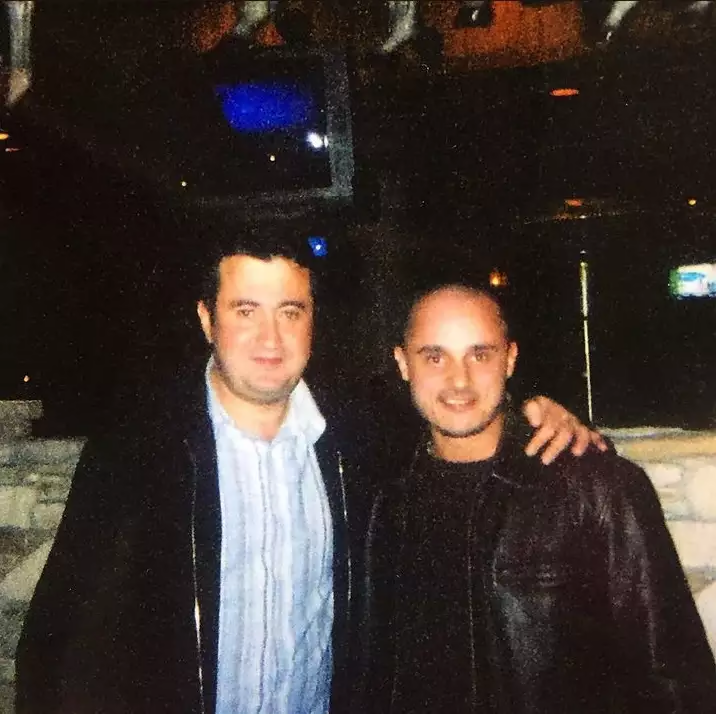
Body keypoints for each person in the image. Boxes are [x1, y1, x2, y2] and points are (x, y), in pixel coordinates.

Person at [15, 225, 601, 714]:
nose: (271, 338)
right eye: (246, 311)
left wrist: (531, 413)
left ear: (313, 319)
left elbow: (455, 408)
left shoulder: (358, 439)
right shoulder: (141, 453)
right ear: (206, 320)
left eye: (290, 312)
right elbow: (60, 645)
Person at [357, 283, 716, 713]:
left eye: (480, 355)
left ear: (510, 359)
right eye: (435, 357)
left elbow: (675, 677)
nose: (459, 380)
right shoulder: (386, 502)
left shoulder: (598, 488)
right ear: (403, 364)